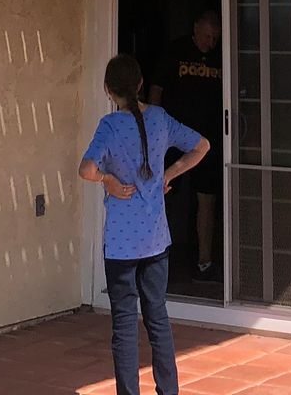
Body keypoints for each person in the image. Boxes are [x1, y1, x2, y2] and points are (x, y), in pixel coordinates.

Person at [80, 53, 209, 395]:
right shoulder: (161, 119)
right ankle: (168, 390)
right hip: (155, 239)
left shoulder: (108, 126)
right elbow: (202, 146)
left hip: (121, 245)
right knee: (158, 317)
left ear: (108, 91)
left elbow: (86, 169)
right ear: (140, 85)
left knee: (124, 322)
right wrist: (168, 174)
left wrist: (107, 179)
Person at [150, 8, 222, 278]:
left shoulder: (220, 54)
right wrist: (154, 127)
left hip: (208, 139)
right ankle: (156, 256)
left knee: (208, 198)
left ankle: (204, 262)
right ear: (195, 29)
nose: (210, 42)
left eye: (214, 37)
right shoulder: (175, 50)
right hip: (173, 136)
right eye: (206, 36)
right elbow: (156, 88)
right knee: (164, 189)